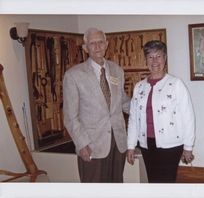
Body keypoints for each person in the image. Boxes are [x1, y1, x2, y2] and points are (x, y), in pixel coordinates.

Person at [63, 27, 130, 183]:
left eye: (101, 42)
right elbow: (70, 116)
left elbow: (122, 101)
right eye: (92, 43)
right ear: (85, 48)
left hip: (118, 142)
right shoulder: (73, 75)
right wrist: (81, 144)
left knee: (116, 185)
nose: (97, 47)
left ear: (107, 44)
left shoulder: (117, 70)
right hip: (92, 144)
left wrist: (146, 107)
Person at [126, 40, 195, 183]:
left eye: (158, 56)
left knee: (166, 182)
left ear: (165, 58)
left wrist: (188, 146)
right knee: (153, 181)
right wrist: (130, 146)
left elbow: (188, 117)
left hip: (171, 144)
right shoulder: (139, 87)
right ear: (146, 60)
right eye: (150, 57)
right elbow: (133, 119)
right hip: (146, 144)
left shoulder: (176, 84)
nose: (155, 61)